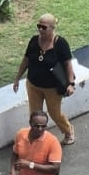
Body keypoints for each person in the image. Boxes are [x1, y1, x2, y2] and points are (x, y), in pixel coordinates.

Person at [12, 14, 76, 146]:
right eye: (38, 26)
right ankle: (36, 137)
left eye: (44, 27)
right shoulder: (34, 41)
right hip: (33, 84)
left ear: (52, 28)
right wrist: (17, 77)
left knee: (55, 114)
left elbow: (68, 65)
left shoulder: (60, 44)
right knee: (35, 114)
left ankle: (68, 130)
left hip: (52, 88)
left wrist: (71, 84)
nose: (40, 30)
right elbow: (26, 60)